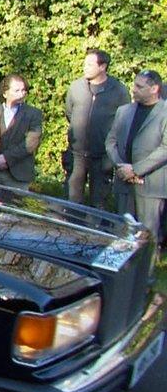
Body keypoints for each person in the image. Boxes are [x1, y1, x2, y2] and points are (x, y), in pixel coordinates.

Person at [106, 70, 167, 245]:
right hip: (124, 181)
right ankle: (120, 271)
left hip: (150, 184)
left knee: (148, 236)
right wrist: (122, 167)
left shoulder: (165, 112)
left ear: (154, 88)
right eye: (134, 85)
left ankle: (145, 272)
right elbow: (111, 141)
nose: (133, 89)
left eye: (139, 86)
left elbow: (165, 148)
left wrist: (135, 170)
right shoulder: (124, 111)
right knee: (122, 232)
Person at [65, 48, 130, 208]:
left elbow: (124, 120)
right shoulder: (76, 87)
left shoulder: (118, 90)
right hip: (77, 153)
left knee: (99, 202)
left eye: (89, 64)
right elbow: (69, 113)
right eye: (84, 64)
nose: (85, 67)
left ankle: (96, 231)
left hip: (103, 156)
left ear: (103, 67)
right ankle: (71, 230)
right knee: (72, 200)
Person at [0, 74, 43, 189]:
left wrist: (5, 158)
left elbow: (31, 142)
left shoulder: (33, 114)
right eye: (17, 90)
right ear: (5, 93)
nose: (21, 94)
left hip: (19, 176)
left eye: (23, 90)